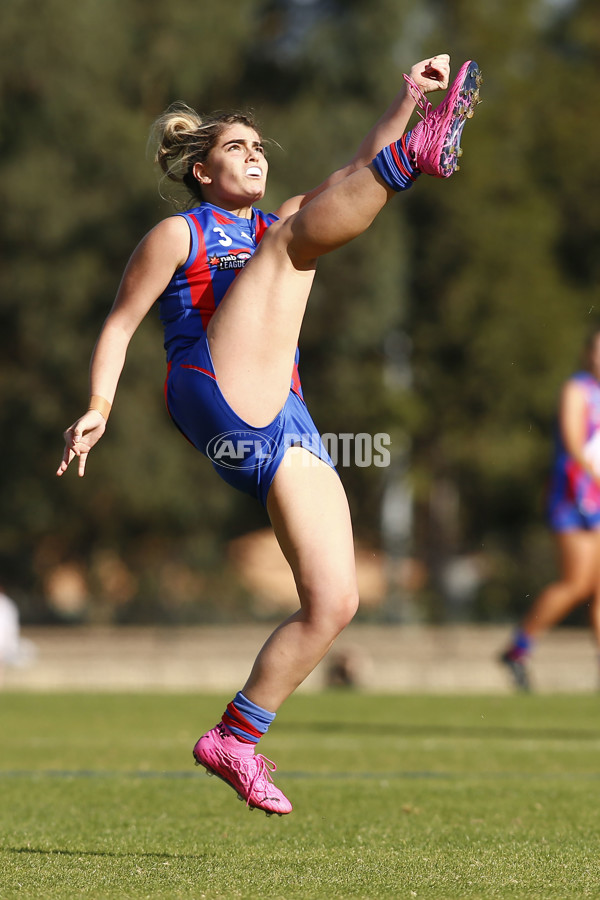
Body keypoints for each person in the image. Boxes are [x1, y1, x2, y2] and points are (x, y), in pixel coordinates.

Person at [57, 55, 482, 815]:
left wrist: (408, 96)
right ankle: (420, 156)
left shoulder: (278, 219)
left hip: (280, 414)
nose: (253, 156)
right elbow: (120, 325)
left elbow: (356, 172)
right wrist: (98, 405)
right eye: (236, 149)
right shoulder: (178, 233)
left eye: (258, 147)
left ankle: (235, 738)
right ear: (200, 172)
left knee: (335, 601)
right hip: (212, 391)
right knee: (292, 240)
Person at [501, 327, 600, 692]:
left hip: (597, 499)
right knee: (576, 583)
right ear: (587, 354)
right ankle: (518, 648)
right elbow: (575, 444)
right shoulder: (578, 389)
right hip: (574, 496)